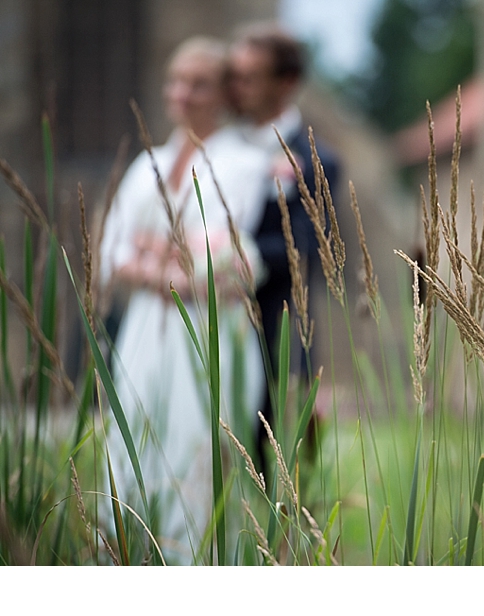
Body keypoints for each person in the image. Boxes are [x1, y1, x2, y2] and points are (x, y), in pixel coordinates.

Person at [99, 36, 269, 564]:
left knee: (196, 445)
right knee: (131, 436)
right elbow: (111, 249)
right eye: (176, 81)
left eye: (198, 84)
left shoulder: (245, 163)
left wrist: (155, 253)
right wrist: (170, 263)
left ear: (224, 93)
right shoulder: (149, 162)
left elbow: (223, 257)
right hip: (145, 327)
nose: (182, 93)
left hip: (209, 329)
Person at [227, 24, 340, 477]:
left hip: (275, 326)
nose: (237, 87)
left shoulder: (315, 160)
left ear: (286, 82)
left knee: (270, 460)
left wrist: (235, 258)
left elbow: (310, 245)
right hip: (206, 317)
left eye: (250, 77)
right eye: (234, 76)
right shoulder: (218, 149)